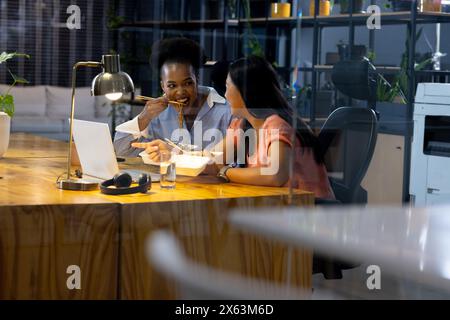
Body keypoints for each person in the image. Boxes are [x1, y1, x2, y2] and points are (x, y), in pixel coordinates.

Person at [215, 55, 334, 199]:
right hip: (280, 207)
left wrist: (226, 172)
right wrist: (184, 155)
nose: (225, 95)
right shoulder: (241, 124)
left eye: (228, 87)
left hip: (310, 211)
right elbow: (213, 158)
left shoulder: (276, 125)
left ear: (245, 91)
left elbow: (275, 174)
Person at [114, 37, 232, 157]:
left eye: (187, 83)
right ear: (163, 86)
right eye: (172, 85)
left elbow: (232, 160)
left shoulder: (225, 111)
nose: (180, 92)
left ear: (197, 79)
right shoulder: (156, 115)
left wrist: (175, 154)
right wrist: (143, 118)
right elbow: (121, 151)